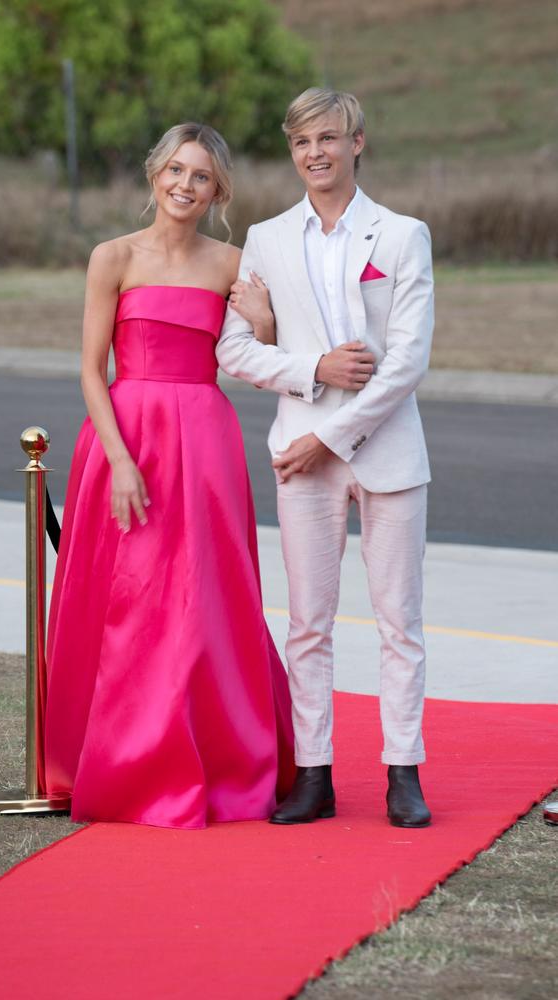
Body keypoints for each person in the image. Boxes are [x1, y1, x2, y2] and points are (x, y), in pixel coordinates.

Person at [44, 123, 296, 829]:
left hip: (205, 443)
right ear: (155, 174)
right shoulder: (112, 257)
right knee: (128, 599)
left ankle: (217, 757)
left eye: (202, 177)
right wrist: (121, 459)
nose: (186, 186)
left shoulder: (232, 263)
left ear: (219, 191)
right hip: (126, 438)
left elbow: (258, 360)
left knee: (204, 598)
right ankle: (121, 760)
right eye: (176, 171)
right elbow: (93, 370)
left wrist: (267, 322)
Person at [217, 88, 435, 828]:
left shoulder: (404, 236)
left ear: (358, 143)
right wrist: (315, 370)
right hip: (298, 457)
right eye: (302, 141)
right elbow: (234, 348)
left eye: (329, 138)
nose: (315, 152)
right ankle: (314, 776)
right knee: (307, 622)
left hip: (387, 453)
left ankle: (402, 773)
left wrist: (330, 435)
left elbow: (407, 363)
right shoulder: (266, 238)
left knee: (398, 620)